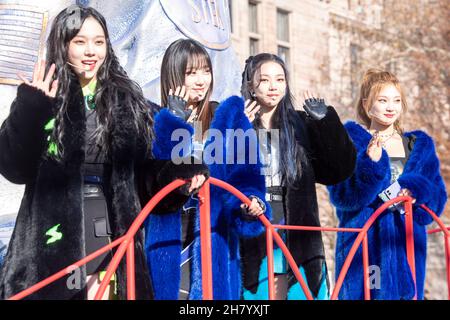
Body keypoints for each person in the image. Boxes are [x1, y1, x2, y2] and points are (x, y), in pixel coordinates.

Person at [0, 6, 208, 300]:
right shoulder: (44, 96)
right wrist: (31, 108)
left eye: (98, 42)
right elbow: (14, 168)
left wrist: (178, 173)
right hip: (49, 242)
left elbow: (144, 176)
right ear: (63, 44)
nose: (91, 51)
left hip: (110, 231)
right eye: (80, 41)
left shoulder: (127, 101)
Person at [145, 39, 270, 300]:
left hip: (215, 241)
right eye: (191, 73)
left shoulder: (229, 116)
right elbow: (151, 179)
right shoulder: (152, 118)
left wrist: (251, 203)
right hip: (169, 240)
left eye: (205, 71)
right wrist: (172, 120)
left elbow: (247, 175)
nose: (201, 80)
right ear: (173, 74)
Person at [240, 53, 356, 300]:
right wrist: (239, 129)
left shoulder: (301, 124)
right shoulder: (237, 123)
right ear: (250, 85)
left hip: (299, 235)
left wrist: (325, 122)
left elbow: (339, 169)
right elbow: (225, 177)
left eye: (280, 79)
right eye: (264, 80)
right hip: (254, 235)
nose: (273, 86)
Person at [327, 69, 447, 300]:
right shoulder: (351, 141)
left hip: (407, 245)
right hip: (365, 243)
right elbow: (341, 196)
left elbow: (438, 198)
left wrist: (416, 191)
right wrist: (370, 164)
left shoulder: (419, 145)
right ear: (366, 104)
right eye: (382, 100)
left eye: (396, 100)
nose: (390, 107)